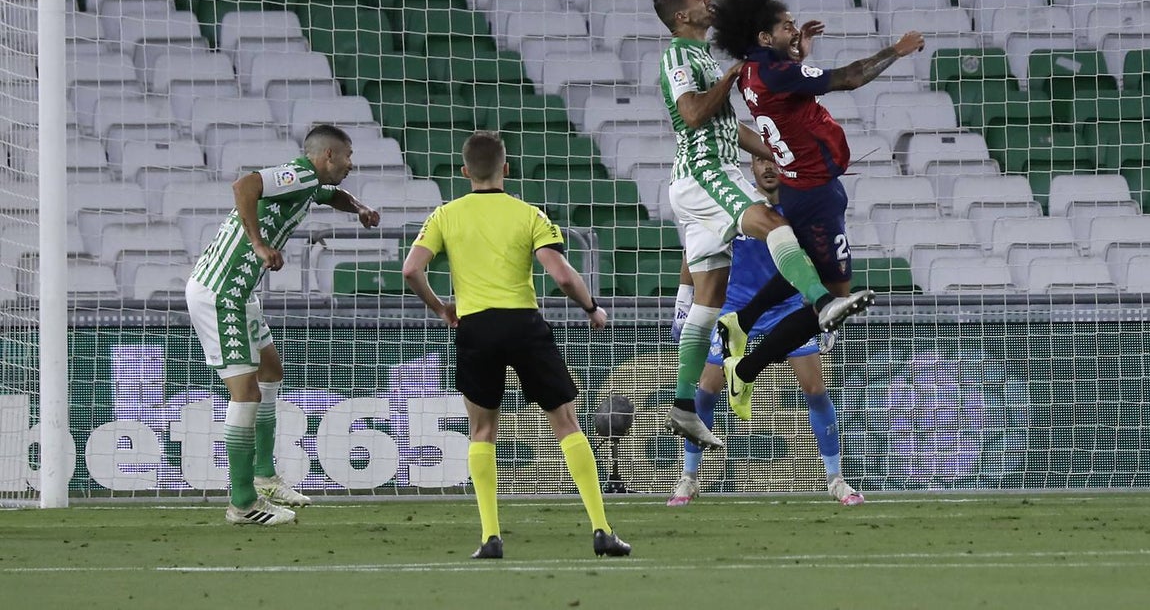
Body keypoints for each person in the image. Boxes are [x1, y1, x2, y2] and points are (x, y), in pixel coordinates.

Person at [653, 0, 876, 452]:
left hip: (696, 179)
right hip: (704, 172)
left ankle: (682, 406)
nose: (707, 1)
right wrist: (729, 80)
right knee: (775, 225)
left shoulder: (701, 57)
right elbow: (693, 114)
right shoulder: (678, 55)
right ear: (682, 17)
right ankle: (821, 302)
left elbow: (728, 126)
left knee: (708, 303)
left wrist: (774, 149)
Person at [401, 131, 630, 560]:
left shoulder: (445, 215)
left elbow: (411, 269)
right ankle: (601, 529)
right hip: (523, 324)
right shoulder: (529, 214)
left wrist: (441, 309)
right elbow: (562, 276)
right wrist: (592, 308)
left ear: (465, 171)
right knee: (565, 423)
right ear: (506, 169)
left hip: (475, 328)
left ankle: (490, 537)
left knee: (482, 431)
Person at [707, 0, 925, 418]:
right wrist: (894, 51)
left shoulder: (754, 70)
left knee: (805, 275)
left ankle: (741, 323)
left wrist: (797, 52)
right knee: (833, 298)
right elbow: (848, 78)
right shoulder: (775, 72)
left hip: (802, 187)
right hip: (815, 192)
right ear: (764, 37)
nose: (794, 31)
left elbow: (784, 90)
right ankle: (746, 369)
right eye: (786, 27)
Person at [185, 124, 380, 525]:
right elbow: (244, 185)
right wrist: (258, 244)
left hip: (240, 294)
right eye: (347, 156)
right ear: (328, 155)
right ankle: (242, 502)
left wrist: (358, 206)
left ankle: (264, 477)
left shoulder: (309, 183)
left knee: (271, 369)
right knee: (246, 393)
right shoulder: (299, 173)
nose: (350, 163)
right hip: (221, 293)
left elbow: (332, 195)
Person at [667, 156, 863, 507]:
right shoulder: (737, 206)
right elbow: (695, 249)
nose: (768, 167)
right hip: (736, 308)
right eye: (760, 161)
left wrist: (822, 309)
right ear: (752, 168)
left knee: (816, 389)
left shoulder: (798, 207)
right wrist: (685, 302)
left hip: (787, 306)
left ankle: (835, 479)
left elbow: (821, 255)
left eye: (773, 160)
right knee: (707, 390)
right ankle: (689, 477)